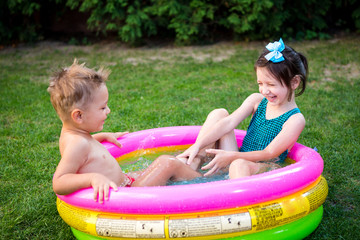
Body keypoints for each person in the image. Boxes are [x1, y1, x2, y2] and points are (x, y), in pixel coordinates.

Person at [48, 60, 201, 203]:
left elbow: (85, 150)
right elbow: (59, 182)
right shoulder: (77, 143)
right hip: (128, 196)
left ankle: (190, 172)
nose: (108, 111)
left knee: (156, 167)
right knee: (167, 163)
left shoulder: (74, 135)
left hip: (127, 183)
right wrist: (93, 178)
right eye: (102, 108)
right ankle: (203, 184)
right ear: (78, 115)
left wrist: (102, 136)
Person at [177, 38, 308, 179]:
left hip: (262, 167)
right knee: (219, 114)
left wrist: (231, 156)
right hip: (238, 158)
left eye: (271, 84)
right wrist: (198, 144)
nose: (264, 90)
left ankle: (233, 195)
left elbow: (269, 153)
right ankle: (192, 162)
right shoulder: (257, 101)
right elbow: (228, 122)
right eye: (260, 83)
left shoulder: (295, 119)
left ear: (294, 82)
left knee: (239, 164)